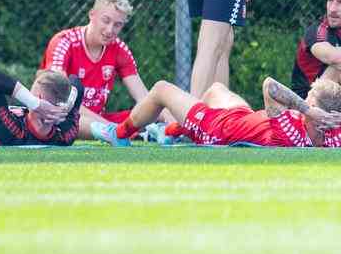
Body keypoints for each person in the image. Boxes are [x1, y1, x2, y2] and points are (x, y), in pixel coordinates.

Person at [40, 0, 166, 139]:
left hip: (99, 122)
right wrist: (110, 128)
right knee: (63, 112)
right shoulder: (64, 42)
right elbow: (60, 99)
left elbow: (145, 99)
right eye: (106, 20)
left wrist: (169, 118)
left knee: (155, 111)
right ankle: (126, 133)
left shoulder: (119, 48)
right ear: (92, 15)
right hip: (60, 118)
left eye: (118, 25)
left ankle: (170, 131)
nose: (110, 30)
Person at [92, 74, 341, 148]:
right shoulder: (332, 136)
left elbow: (270, 85)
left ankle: (120, 133)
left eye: (309, 103)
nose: (303, 104)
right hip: (242, 117)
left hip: (217, 128)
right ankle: (174, 131)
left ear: (320, 119)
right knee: (215, 89)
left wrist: (308, 109)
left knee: (160, 89)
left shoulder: (288, 131)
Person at [289, 0, 341, 98]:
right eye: (330, 1)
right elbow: (335, 58)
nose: (332, 9)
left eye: (340, 3)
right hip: (306, 106)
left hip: (335, 106)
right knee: (337, 68)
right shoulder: (317, 31)